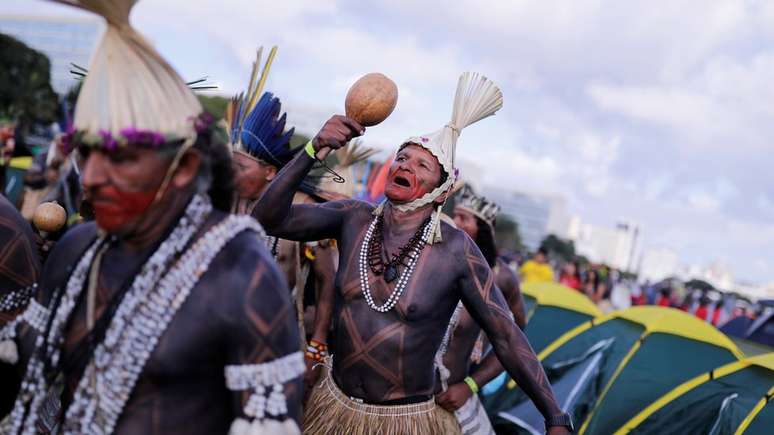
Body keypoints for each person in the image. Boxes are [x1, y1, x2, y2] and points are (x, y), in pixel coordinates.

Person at [2, 2, 303, 433]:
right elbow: (24, 371)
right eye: (85, 153)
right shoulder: (77, 248)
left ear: (181, 167)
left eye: (121, 158)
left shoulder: (244, 277)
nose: (91, 177)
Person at [256, 72, 572, 434]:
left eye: (421, 165)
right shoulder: (353, 219)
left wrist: (555, 415)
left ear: (440, 192)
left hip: (404, 421)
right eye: (402, 158)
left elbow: (506, 335)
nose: (405, 165)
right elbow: (267, 218)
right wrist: (314, 149)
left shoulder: (456, 252)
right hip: (333, 406)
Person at [435, 185, 526, 434]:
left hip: (455, 392)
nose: (456, 222)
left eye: (465, 218)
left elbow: (514, 339)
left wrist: (470, 386)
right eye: (456, 215)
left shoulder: (502, 278)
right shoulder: (434, 256)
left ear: (483, 229)